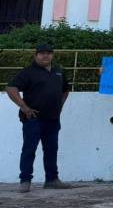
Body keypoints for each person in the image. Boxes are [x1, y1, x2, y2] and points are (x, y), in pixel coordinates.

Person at [6, 43, 71, 193]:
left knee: (51, 149)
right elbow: (11, 88)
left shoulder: (58, 71)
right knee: (29, 149)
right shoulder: (28, 72)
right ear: (36, 56)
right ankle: (25, 181)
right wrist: (24, 107)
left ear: (52, 55)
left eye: (48, 53)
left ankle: (52, 180)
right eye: (42, 53)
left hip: (53, 119)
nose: (45, 56)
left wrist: (59, 107)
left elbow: (65, 90)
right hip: (33, 119)